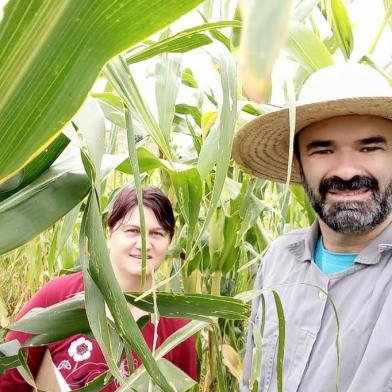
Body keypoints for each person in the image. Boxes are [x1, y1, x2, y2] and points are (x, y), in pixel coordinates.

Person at [233, 63, 392, 392]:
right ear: (298, 163)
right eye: (323, 150)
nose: (347, 171)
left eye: (370, 147)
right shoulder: (279, 259)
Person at [0, 186, 197, 390]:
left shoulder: (178, 329)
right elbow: (8, 373)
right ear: (109, 233)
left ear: (169, 241)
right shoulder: (59, 296)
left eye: (157, 233)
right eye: (132, 231)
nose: (144, 243)